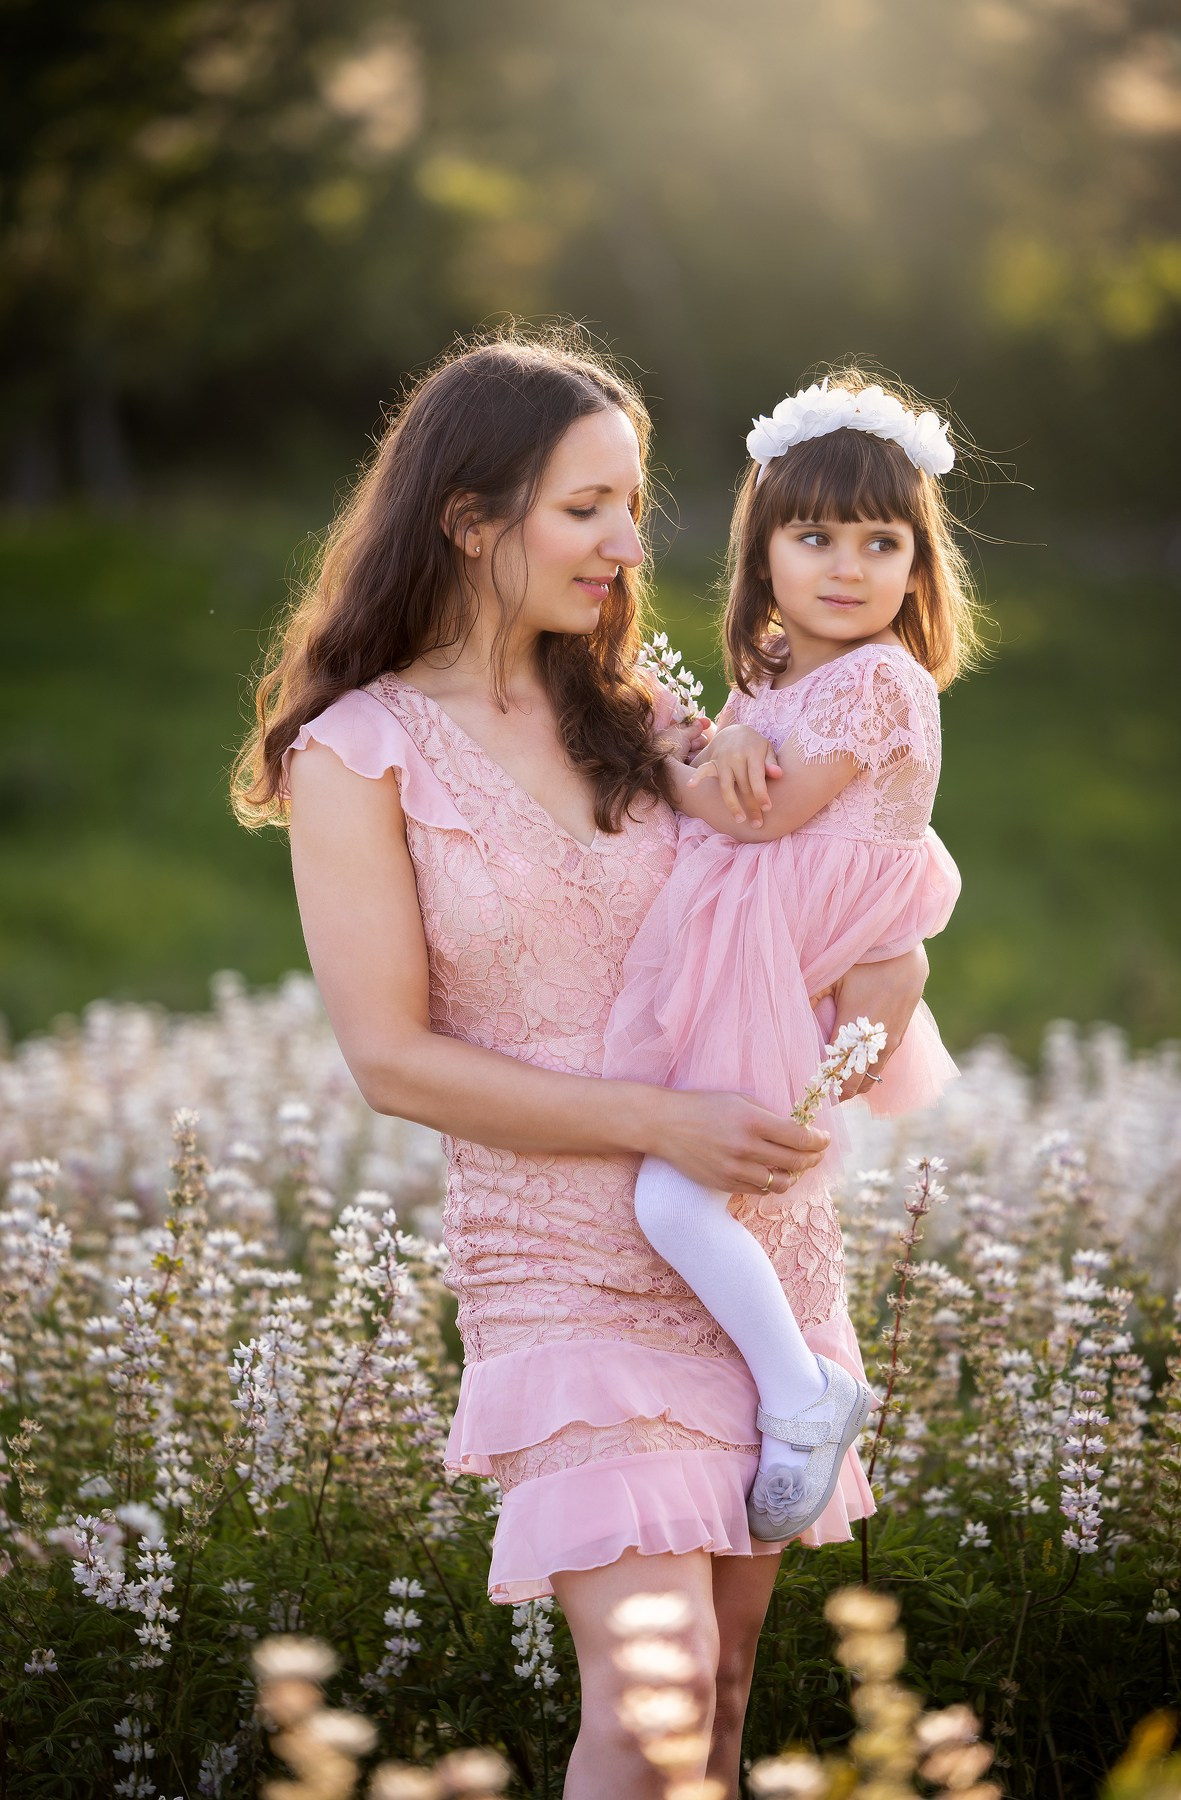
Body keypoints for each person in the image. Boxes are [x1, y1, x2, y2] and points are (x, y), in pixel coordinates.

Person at [232, 330, 931, 1800]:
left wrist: (889, 965)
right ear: (469, 519)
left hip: (746, 1245)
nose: (627, 544)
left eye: (631, 505)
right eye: (585, 508)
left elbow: (820, 879)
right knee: (657, 1705)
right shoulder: (356, 752)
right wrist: (659, 1121)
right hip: (561, 1262)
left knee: (720, 1702)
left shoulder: (645, 717)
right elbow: (392, 1061)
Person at [604, 369, 984, 1545]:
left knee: (673, 1196)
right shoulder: (772, 668)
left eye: (880, 543)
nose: (846, 567)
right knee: (686, 1182)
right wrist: (702, 741)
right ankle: (774, 1388)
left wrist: (669, 757)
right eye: (813, 536)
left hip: (781, 966)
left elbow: (756, 812)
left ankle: (802, 1391)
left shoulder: (881, 678)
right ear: (760, 551)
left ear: (917, 566)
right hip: (761, 950)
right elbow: (733, 773)